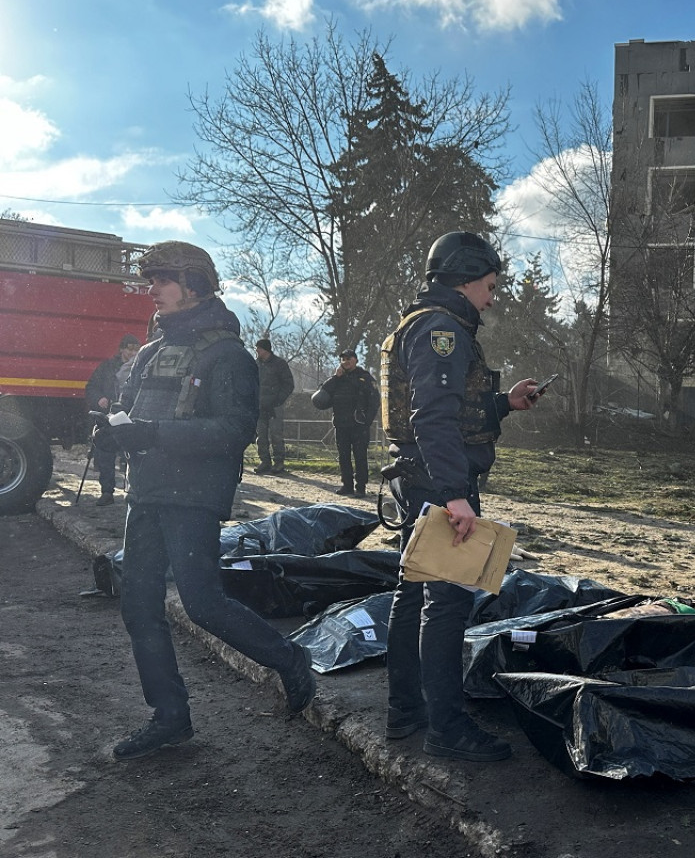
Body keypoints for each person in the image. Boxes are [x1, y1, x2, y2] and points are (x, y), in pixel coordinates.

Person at [91, 241, 314, 761]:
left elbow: (235, 430)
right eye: (151, 281)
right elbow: (131, 412)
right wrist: (113, 431)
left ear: (194, 284)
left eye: (162, 281)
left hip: (192, 497)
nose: (152, 291)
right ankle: (170, 717)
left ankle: (289, 658)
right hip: (146, 491)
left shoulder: (228, 355)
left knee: (203, 603)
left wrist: (154, 433)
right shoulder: (150, 351)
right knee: (138, 605)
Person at [381, 231, 541, 763]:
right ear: (467, 277)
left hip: (420, 478)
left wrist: (505, 404)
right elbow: (433, 417)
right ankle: (447, 728)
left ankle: (407, 710)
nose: (492, 298)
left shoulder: (423, 323)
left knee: (412, 595)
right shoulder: (442, 328)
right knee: (446, 603)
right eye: (490, 286)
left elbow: (455, 409)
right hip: (439, 483)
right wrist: (455, 495)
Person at [311, 348, 378, 497]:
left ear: (355, 360)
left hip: (359, 425)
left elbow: (374, 401)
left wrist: (367, 421)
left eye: (349, 359)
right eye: (343, 359)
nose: (346, 362)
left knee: (360, 456)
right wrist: (335, 377)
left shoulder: (365, 378)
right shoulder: (337, 379)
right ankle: (347, 485)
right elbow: (322, 397)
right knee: (343, 456)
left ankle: (361, 487)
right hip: (341, 424)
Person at [84, 334, 141, 505]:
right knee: (105, 454)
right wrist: (99, 398)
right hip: (109, 415)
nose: (132, 352)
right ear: (122, 349)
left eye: (136, 349)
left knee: (133, 456)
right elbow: (91, 387)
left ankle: (133, 492)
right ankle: (107, 492)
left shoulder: (141, 367)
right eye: (129, 348)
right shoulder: (107, 367)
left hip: (131, 416)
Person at [253, 338, 294, 474]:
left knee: (276, 434)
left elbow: (288, 384)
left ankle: (279, 462)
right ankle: (264, 461)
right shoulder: (256, 364)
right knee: (261, 436)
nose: (257, 351)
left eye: (258, 348)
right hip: (259, 406)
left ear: (265, 349)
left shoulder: (279, 364)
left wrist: (278, 400)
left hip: (275, 406)